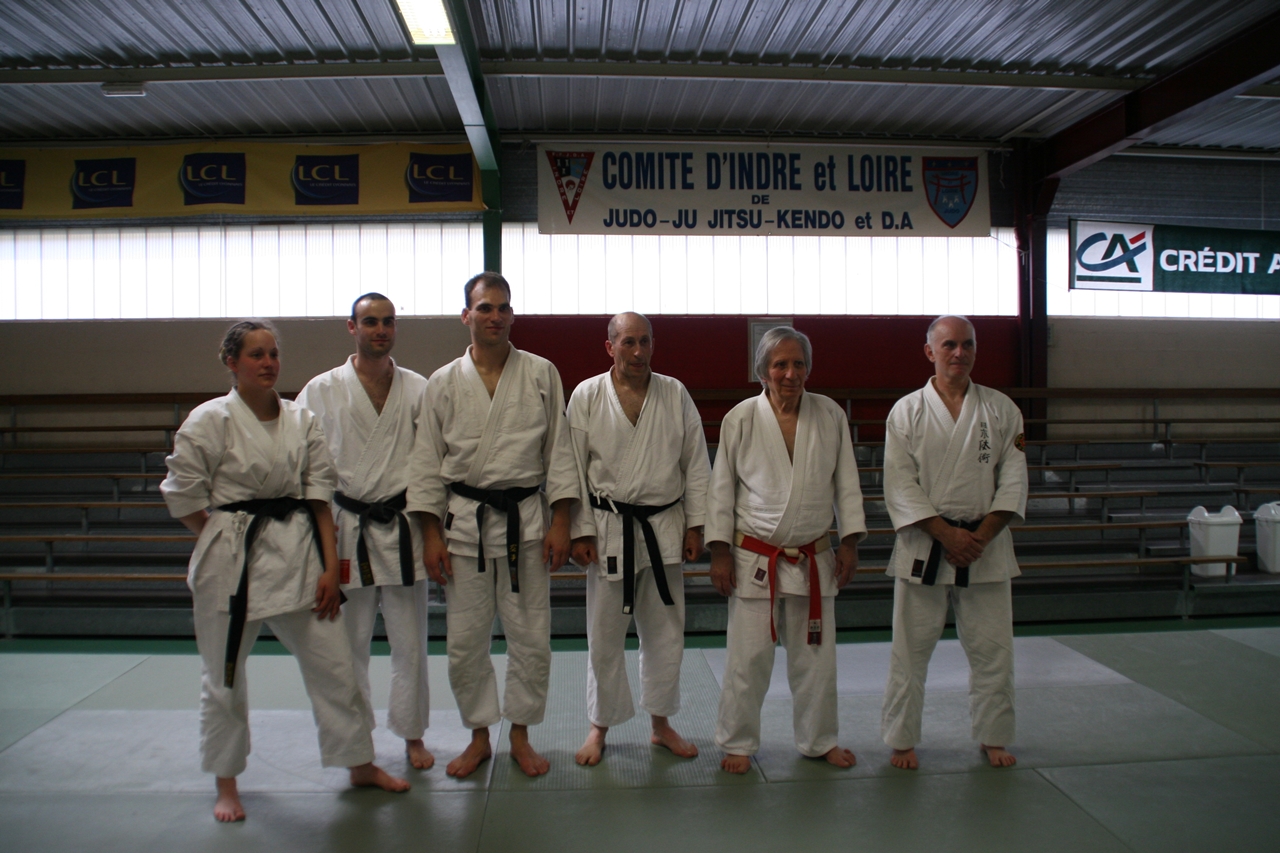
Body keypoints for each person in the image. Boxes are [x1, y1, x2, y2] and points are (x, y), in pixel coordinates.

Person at [162, 320, 408, 823]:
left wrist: (330, 569)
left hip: (298, 556)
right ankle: (226, 782)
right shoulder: (209, 420)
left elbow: (319, 498)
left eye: (273, 353)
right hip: (230, 565)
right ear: (232, 362)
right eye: (256, 354)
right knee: (224, 675)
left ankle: (359, 763)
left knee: (336, 666)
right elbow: (184, 496)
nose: (268, 363)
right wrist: (221, 534)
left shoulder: (301, 419)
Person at [407, 272, 578, 779]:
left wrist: (561, 520)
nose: (495, 316)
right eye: (485, 308)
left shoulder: (541, 373)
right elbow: (425, 462)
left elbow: (560, 450)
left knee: (531, 636)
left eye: (503, 308)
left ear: (512, 315)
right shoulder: (442, 382)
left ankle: (520, 734)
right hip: (464, 528)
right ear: (467, 315)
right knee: (465, 641)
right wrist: (430, 534)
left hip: (526, 523)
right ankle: (479, 735)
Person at [707, 326, 866, 774]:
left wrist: (849, 541)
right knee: (747, 659)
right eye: (780, 364)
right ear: (763, 371)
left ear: (808, 369)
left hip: (814, 556)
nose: (790, 373)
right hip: (754, 557)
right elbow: (721, 489)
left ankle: (820, 739)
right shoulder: (741, 418)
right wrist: (719, 552)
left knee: (816, 660)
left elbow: (847, 483)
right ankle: (737, 742)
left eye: (798, 364)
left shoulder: (830, 414)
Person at [880, 315, 1028, 770]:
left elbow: (1014, 479)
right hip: (925, 544)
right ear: (930, 351)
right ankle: (902, 739)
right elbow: (899, 485)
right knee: (910, 650)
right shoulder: (906, 411)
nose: (958, 353)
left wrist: (978, 537)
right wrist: (947, 534)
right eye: (948, 345)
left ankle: (993, 736)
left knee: (993, 649)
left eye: (967, 344)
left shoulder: (1001, 409)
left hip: (986, 546)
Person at [295, 293, 433, 772]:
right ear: (351, 327)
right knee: (346, 646)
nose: (381, 330)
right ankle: (357, 742)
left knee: (410, 644)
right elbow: (304, 463)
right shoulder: (320, 390)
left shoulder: (418, 388)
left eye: (388, 322)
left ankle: (413, 734)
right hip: (345, 528)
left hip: (403, 526)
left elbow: (433, 461)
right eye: (370, 321)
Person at [567, 312, 711, 766]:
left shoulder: (675, 393)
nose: (637, 351)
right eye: (627, 342)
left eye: (644, 341)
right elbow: (572, 467)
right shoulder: (587, 395)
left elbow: (696, 462)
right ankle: (599, 724)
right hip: (609, 529)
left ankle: (661, 724)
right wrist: (579, 530)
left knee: (665, 633)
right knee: (604, 637)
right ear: (609, 346)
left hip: (664, 527)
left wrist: (696, 525)